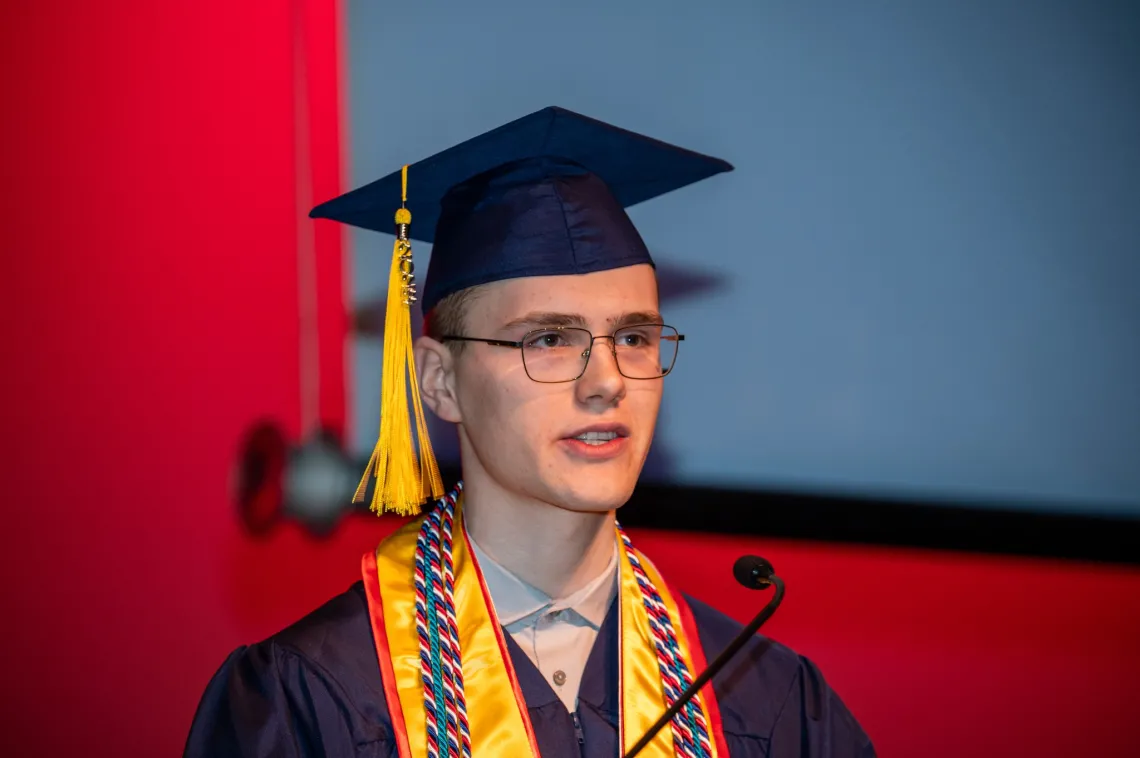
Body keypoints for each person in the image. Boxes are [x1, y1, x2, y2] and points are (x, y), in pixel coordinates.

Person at [185, 106, 874, 757]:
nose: (607, 380)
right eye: (548, 338)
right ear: (440, 382)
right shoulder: (312, 699)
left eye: (634, 336)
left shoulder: (768, 701)